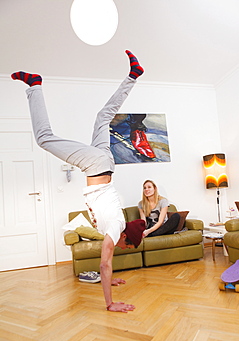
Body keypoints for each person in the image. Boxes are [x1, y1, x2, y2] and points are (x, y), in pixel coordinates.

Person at [11, 50, 146, 313]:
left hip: (105, 162)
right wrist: (110, 303)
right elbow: (104, 264)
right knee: (44, 138)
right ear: (127, 241)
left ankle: (133, 75)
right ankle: (34, 86)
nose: (119, 249)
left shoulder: (116, 226)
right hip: (96, 165)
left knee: (102, 117)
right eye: (125, 247)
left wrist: (112, 279)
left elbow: (108, 268)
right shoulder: (116, 229)